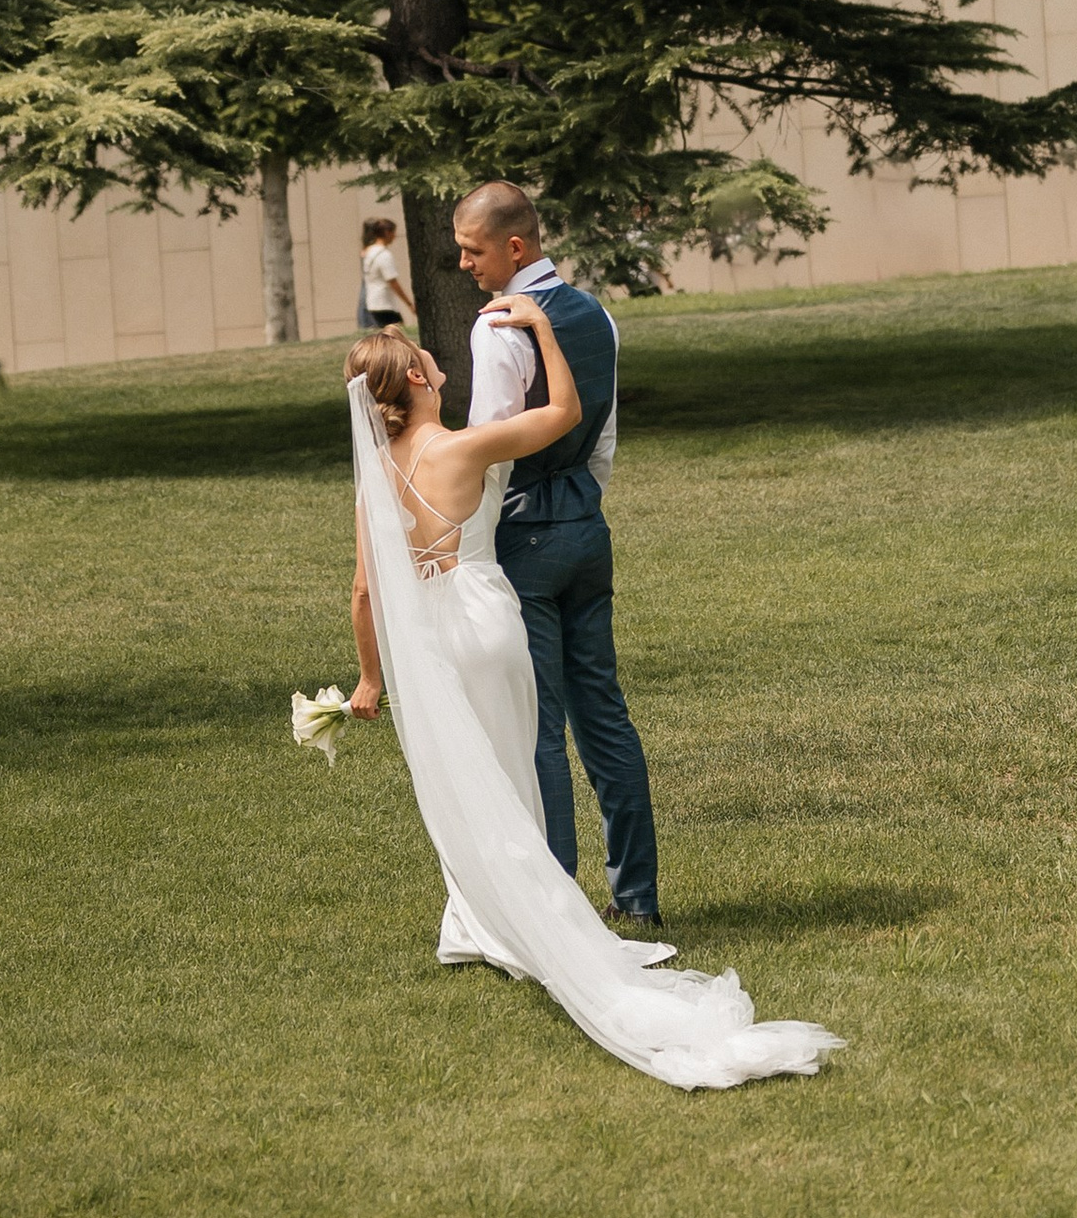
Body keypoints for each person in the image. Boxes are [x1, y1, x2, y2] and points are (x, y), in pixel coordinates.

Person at [337, 314, 838, 1089]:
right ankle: (525, 925)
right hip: (484, 620)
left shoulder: (374, 478)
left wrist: (370, 679)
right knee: (510, 773)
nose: (440, 368)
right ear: (415, 380)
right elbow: (564, 416)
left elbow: (366, 592)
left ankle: (474, 923)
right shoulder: (462, 446)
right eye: (431, 363)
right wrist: (540, 325)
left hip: (423, 646)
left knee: (457, 781)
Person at [454, 180, 660, 932]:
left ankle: (559, 914)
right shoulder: (596, 314)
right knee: (603, 714)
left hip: (525, 535)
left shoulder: (498, 328)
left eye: (473, 251)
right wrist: (581, 501)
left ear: (515, 247)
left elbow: (490, 449)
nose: (465, 265)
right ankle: (636, 895)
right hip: (586, 527)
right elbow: (601, 437)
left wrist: (476, 550)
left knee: (536, 724)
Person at [356, 215, 413, 332]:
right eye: (393, 232)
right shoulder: (384, 255)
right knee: (398, 334)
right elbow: (392, 281)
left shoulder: (368, 252)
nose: (394, 236)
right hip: (384, 302)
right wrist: (409, 303)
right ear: (387, 233)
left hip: (372, 302)